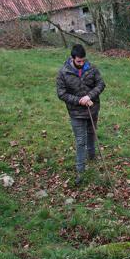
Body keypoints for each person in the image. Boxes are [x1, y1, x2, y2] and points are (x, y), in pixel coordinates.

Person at [56, 44, 105, 185]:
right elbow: (61, 93)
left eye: (83, 60)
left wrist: (89, 96)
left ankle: (92, 156)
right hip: (76, 113)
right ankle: (80, 170)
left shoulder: (92, 68)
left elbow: (101, 84)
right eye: (79, 61)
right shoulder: (63, 73)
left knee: (92, 134)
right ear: (72, 59)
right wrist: (79, 100)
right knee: (80, 140)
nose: (82, 63)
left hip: (92, 109)